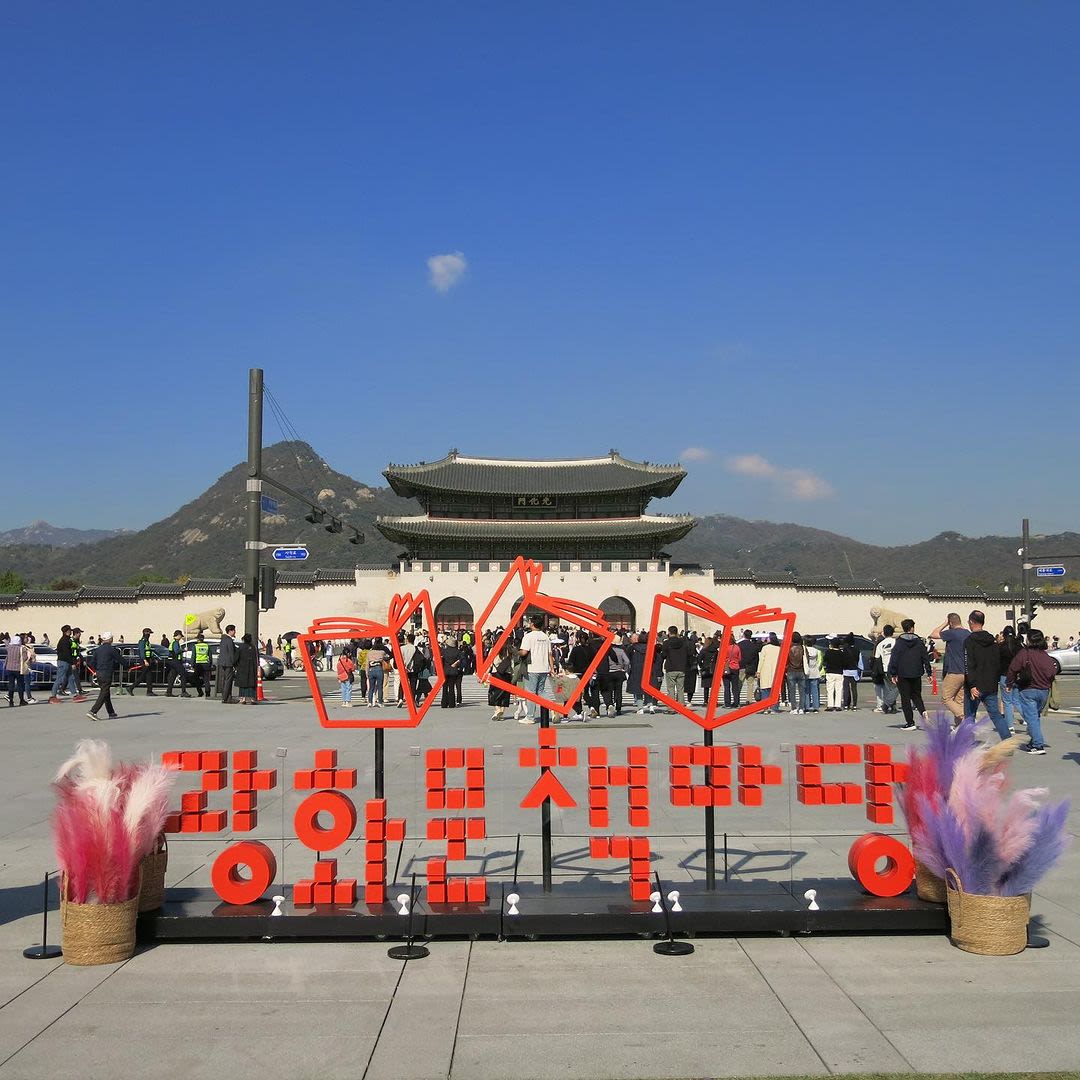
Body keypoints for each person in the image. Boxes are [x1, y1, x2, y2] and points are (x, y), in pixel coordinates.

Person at [1006, 628, 1057, 754]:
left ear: (1029, 640)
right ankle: (1033, 742)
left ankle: (1038, 745)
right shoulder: (1045, 655)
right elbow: (1052, 672)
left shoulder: (1025, 653)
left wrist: (1009, 683)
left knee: (1032, 718)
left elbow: (1013, 668)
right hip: (1044, 690)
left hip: (1028, 689)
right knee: (1035, 717)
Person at [963, 609, 1010, 741]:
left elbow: (969, 664)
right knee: (995, 715)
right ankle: (1007, 741)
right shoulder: (993, 642)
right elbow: (997, 664)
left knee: (970, 715)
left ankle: (968, 743)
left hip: (975, 685)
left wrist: (972, 684)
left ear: (972, 622)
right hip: (990, 685)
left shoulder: (969, 641)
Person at [888, 619, 931, 730]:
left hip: (903, 673)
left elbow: (894, 658)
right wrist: (929, 672)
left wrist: (893, 673)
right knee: (916, 695)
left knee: (905, 698)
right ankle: (923, 712)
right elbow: (925, 657)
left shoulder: (899, 642)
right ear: (912, 628)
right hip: (916, 672)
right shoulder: (919, 642)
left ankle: (910, 722)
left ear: (903, 628)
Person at [929, 612, 970, 725]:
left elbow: (933, 634)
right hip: (966, 672)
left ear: (951, 623)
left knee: (946, 698)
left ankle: (964, 717)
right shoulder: (968, 633)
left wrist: (945, 623)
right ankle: (959, 726)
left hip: (954, 671)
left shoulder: (952, 633)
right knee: (959, 700)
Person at [518, 614, 553, 724]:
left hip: (532, 667)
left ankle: (530, 716)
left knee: (531, 693)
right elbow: (549, 654)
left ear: (532, 624)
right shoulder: (545, 636)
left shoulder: (528, 636)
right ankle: (552, 708)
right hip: (544, 667)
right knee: (541, 691)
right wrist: (551, 668)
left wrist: (515, 652)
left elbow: (524, 652)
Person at [86, 632, 121, 720]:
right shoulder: (111, 649)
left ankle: (111, 713)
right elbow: (120, 659)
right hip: (107, 673)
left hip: (99, 673)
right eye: (112, 638)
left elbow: (92, 662)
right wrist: (128, 666)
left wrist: (96, 669)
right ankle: (93, 711)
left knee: (106, 693)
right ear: (109, 639)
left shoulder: (98, 649)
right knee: (104, 692)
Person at [657, 626, 691, 709]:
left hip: (671, 667)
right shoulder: (683, 642)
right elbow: (688, 653)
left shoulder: (667, 643)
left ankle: (671, 707)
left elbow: (664, 655)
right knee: (680, 688)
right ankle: (681, 706)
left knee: (671, 689)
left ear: (669, 632)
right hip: (681, 667)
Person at [873, 626, 900, 715]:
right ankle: (888, 705)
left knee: (890, 689)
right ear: (893, 633)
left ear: (884, 633)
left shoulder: (880, 644)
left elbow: (877, 658)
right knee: (897, 687)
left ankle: (890, 706)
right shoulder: (896, 642)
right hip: (896, 668)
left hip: (885, 669)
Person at [48, 624, 74, 703]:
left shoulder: (66, 640)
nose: (71, 632)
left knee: (70, 678)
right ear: (67, 631)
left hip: (65, 661)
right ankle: (53, 695)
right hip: (64, 662)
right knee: (59, 679)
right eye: (70, 631)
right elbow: (66, 653)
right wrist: (72, 663)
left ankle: (75, 694)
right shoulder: (64, 641)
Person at [756, 632, 782, 713]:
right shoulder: (779, 648)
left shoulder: (765, 648)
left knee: (765, 690)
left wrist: (758, 671)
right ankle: (774, 707)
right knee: (775, 690)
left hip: (765, 670)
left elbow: (761, 660)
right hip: (776, 671)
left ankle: (766, 707)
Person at [130, 628, 159, 696]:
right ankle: (131, 687)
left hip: (148, 660)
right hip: (144, 661)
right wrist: (145, 660)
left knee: (149, 676)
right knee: (143, 676)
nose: (149, 635)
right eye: (149, 633)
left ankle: (149, 691)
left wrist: (153, 659)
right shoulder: (142, 641)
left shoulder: (147, 642)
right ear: (145, 633)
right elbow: (142, 652)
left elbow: (149, 651)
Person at [784, 631, 806, 714]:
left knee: (792, 691)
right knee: (802, 691)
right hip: (801, 670)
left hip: (791, 670)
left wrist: (786, 669)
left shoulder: (789, 648)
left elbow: (786, 660)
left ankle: (793, 708)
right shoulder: (802, 648)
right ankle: (801, 708)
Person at [235, 633, 260, 704]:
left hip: (242, 668)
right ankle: (252, 699)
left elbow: (236, 658)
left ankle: (243, 699)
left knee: (243, 684)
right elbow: (257, 658)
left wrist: (235, 665)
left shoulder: (240, 647)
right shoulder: (253, 647)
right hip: (252, 668)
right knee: (252, 684)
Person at [737, 630, 760, 705]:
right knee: (750, 684)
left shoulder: (739, 644)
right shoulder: (754, 645)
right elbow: (756, 658)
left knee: (739, 683)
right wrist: (756, 668)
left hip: (741, 666)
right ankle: (749, 700)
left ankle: (737, 699)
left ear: (744, 635)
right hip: (751, 666)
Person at [440, 635, 463, 708]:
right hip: (453, 670)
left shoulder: (444, 651)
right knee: (451, 687)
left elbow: (441, 660)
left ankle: (444, 703)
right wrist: (456, 663)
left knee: (445, 687)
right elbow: (462, 659)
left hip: (445, 670)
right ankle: (451, 703)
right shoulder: (457, 651)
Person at [823, 637, 846, 711]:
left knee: (830, 689)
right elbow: (844, 663)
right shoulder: (842, 653)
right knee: (839, 689)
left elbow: (825, 660)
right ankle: (838, 705)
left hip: (830, 672)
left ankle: (830, 705)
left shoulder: (828, 652)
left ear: (831, 644)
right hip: (839, 672)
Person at [5, 634, 28, 706]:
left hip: (9, 668)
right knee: (20, 685)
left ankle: (11, 701)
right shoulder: (21, 648)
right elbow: (24, 658)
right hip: (18, 668)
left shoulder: (9, 648)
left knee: (11, 685)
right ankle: (21, 700)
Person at [217, 624, 238, 703]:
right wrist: (234, 664)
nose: (235, 632)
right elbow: (231, 653)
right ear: (231, 631)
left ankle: (227, 697)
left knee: (225, 680)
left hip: (223, 662)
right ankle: (225, 697)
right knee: (228, 681)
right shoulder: (229, 640)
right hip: (229, 663)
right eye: (234, 630)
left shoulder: (223, 639)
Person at [167, 630, 191, 697]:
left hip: (172, 661)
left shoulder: (173, 642)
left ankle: (168, 692)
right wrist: (183, 650)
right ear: (178, 635)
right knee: (183, 674)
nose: (181, 638)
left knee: (172, 676)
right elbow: (176, 651)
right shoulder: (175, 642)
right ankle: (183, 691)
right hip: (175, 661)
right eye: (180, 636)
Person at [802, 635, 823, 713]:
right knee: (815, 691)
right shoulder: (816, 650)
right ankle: (816, 707)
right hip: (815, 671)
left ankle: (807, 706)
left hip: (807, 671)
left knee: (806, 691)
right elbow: (818, 662)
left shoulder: (804, 650)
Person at [840, 632, 861, 710]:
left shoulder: (844, 651)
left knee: (846, 689)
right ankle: (854, 705)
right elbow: (860, 663)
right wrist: (860, 672)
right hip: (854, 672)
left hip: (845, 672)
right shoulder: (857, 651)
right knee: (854, 689)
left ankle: (846, 704)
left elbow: (841, 661)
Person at [366, 637, 388, 706]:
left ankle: (370, 702)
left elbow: (367, 663)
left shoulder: (369, 653)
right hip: (379, 669)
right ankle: (380, 702)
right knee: (379, 686)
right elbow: (387, 657)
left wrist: (367, 672)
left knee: (371, 687)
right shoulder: (382, 652)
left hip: (371, 669)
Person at [192, 632, 213, 698]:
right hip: (206, 664)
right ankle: (208, 693)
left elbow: (193, 656)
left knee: (196, 679)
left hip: (198, 664)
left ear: (198, 639)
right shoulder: (207, 646)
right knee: (206, 680)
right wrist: (210, 664)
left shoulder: (195, 646)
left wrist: (192, 664)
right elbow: (210, 656)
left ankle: (200, 692)